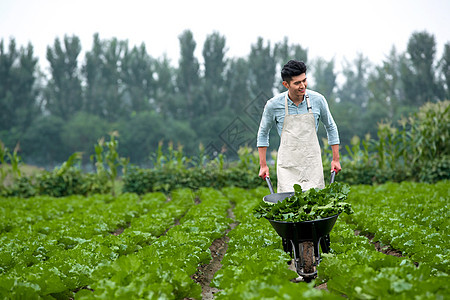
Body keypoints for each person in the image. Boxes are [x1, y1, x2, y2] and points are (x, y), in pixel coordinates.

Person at [257, 60, 341, 192]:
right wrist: (263, 165)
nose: (303, 85)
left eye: (304, 80)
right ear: (286, 84)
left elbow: (331, 127)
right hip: (287, 167)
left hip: (312, 164)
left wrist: (335, 159)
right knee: (289, 206)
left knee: (314, 206)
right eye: (297, 83)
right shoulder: (273, 105)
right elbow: (263, 133)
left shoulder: (318, 100)